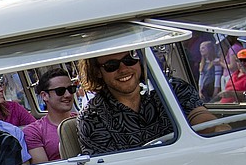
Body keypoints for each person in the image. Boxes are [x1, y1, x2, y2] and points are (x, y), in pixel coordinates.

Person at [76, 51, 215, 155]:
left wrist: (214, 130)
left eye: (131, 59)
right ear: (97, 72)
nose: (124, 69)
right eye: (111, 65)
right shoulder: (92, 117)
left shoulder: (174, 90)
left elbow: (202, 119)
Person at [24, 68, 77, 163]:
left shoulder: (84, 120)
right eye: (60, 91)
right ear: (44, 96)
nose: (68, 94)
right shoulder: (34, 131)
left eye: (71, 89)